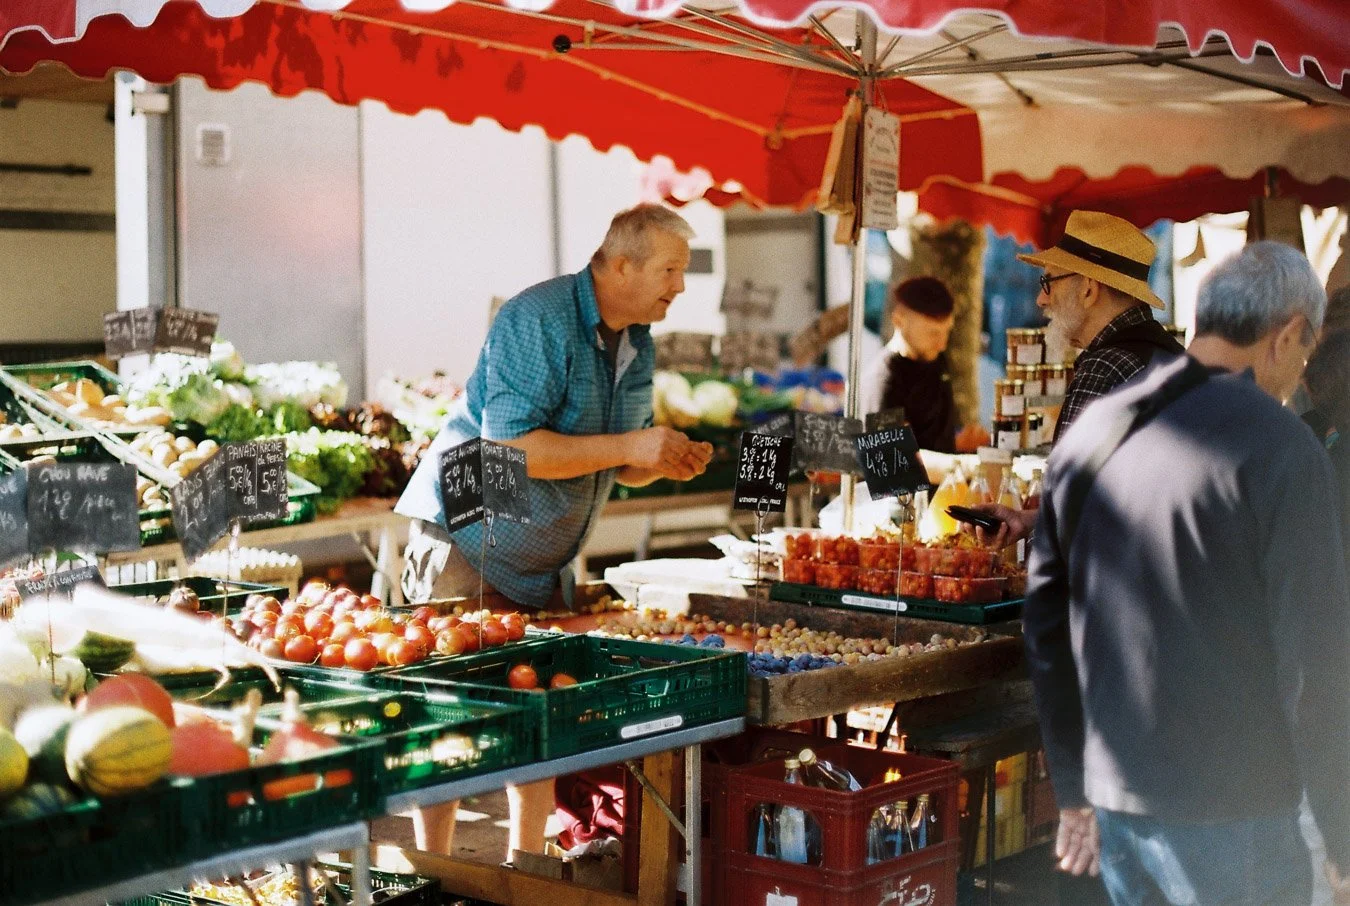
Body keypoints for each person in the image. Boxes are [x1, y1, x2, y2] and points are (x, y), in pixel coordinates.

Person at [1023, 241, 1350, 906]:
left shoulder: (1092, 433)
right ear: (1288, 335)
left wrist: (1075, 789)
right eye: (1306, 349)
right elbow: (1318, 656)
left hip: (1119, 796)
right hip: (1235, 803)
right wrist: (1342, 830)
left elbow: (1046, 627)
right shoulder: (1282, 445)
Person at [393, 203, 714, 858]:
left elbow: (616, 460)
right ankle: (437, 873)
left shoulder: (636, 341)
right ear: (619, 264)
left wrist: (661, 462)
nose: (679, 287)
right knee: (450, 719)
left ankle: (526, 868)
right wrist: (634, 444)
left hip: (539, 560)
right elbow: (512, 447)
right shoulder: (537, 319)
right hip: (465, 538)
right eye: (670, 271)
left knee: (539, 717)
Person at [975, 210, 1185, 543]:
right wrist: (1028, 520)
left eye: (1048, 282)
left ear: (1088, 289)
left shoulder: (1106, 369)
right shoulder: (1172, 357)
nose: (1040, 299)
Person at [860, 276, 986, 452]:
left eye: (946, 332)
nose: (942, 344)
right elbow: (894, 462)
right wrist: (961, 462)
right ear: (899, 321)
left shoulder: (934, 358)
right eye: (933, 333)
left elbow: (931, 440)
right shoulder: (882, 381)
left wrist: (960, 443)